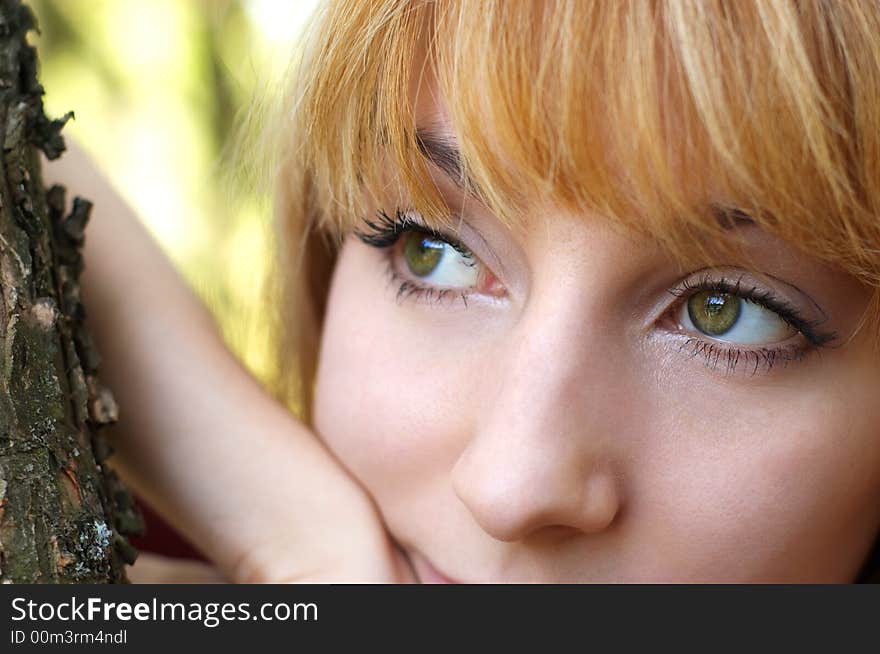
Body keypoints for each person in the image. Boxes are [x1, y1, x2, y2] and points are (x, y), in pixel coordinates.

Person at [45, 0, 880, 583]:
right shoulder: (97, 540)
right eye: (435, 252)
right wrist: (289, 534)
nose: (508, 488)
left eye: (722, 314)